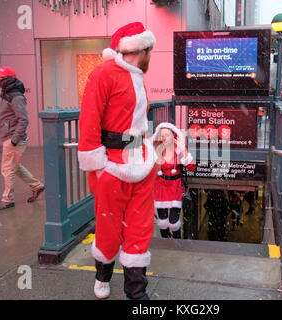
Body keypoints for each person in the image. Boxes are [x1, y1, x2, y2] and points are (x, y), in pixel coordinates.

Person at [77, 22, 157, 300]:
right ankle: (102, 276)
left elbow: (137, 125)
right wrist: (97, 167)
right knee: (109, 227)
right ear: (142, 48)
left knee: (140, 227)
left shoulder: (136, 76)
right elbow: (89, 122)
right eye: (150, 50)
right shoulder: (103, 74)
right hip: (110, 165)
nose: (151, 55)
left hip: (142, 163)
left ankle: (136, 292)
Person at [0, 67, 45, 211]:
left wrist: (14, 139)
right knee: (15, 166)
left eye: (1, 78)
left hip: (13, 138)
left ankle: (7, 200)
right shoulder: (7, 94)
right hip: (10, 136)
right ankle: (37, 186)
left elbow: (23, 120)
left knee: (7, 169)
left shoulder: (16, 97)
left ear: (8, 80)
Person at [152, 123, 195, 239]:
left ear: (174, 136)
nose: (164, 138)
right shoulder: (156, 150)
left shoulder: (179, 150)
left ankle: (177, 243)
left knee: (173, 222)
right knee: (162, 222)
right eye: (162, 135)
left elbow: (191, 167)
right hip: (160, 187)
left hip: (175, 187)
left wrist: (183, 149)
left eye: (167, 135)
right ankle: (166, 244)